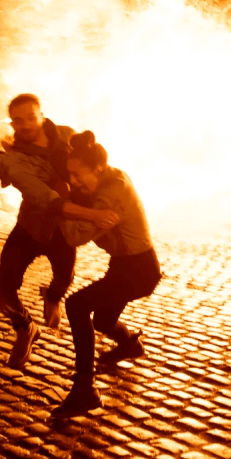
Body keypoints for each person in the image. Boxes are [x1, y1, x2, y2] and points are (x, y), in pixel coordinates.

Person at [0, 94, 119, 370]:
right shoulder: (14, 157)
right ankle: (25, 327)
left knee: (63, 278)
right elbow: (46, 198)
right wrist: (94, 215)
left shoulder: (68, 137)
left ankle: (52, 297)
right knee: (1, 286)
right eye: (18, 120)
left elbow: (92, 170)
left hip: (64, 230)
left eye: (30, 117)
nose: (25, 124)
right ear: (11, 122)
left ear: (41, 114)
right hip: (31, 226)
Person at [52, 130, 162, 418]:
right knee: (102, 320)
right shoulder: (110, 176)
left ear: (98, 168)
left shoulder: (109, 197)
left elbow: (75, 236)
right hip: (125, 265)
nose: (74, 181)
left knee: (76, 306)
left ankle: (84, 389)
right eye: (70, 175)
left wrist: (60, 206)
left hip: (139, 270)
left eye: (78, 175)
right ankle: (130, 344)